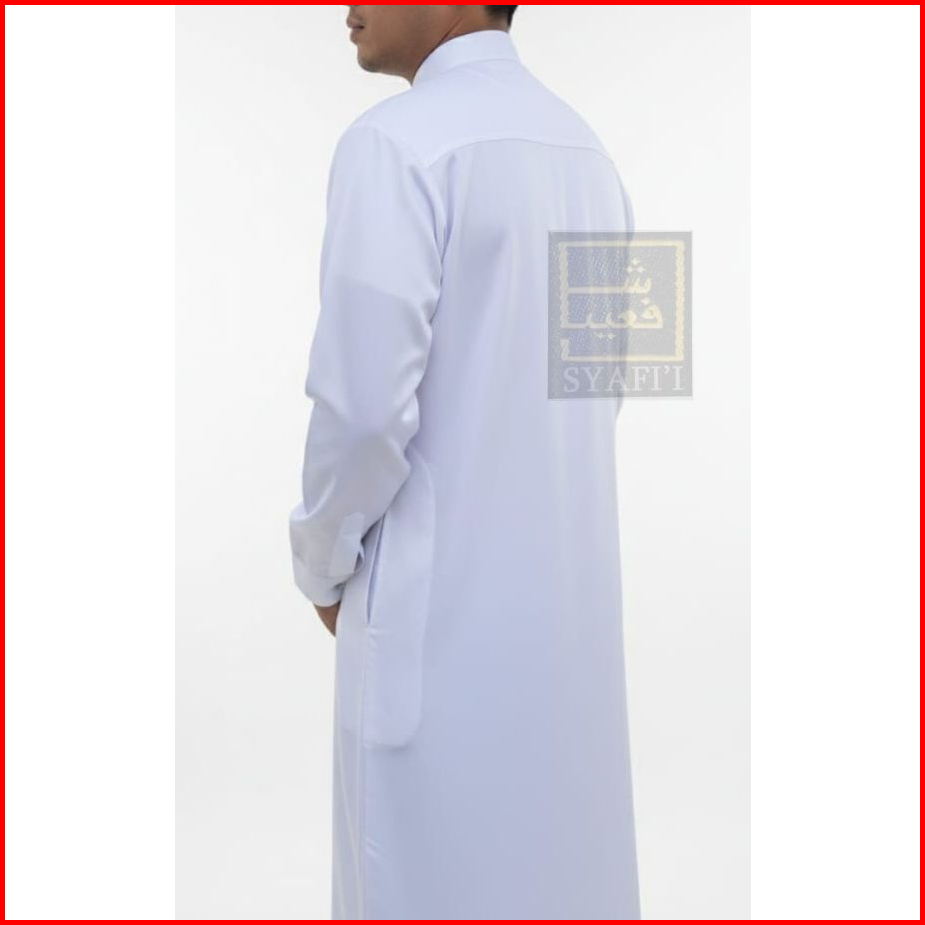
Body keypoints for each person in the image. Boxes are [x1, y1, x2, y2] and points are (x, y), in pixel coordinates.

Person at [289, 5, 639, 919]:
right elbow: (609, 388)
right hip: (567, 643)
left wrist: (320, 562)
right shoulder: (593, 158)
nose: (344, 7)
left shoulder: (393, 145)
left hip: (431, 644)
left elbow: (362, 413)